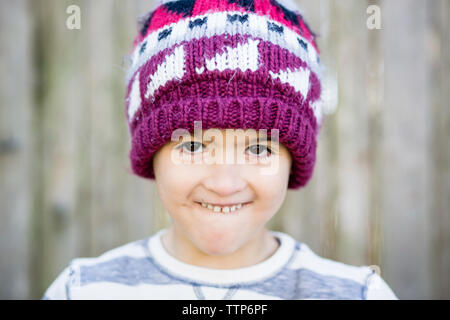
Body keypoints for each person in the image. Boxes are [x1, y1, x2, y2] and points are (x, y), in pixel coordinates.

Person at [42, 0, 398, 299]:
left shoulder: (358, 294)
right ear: (151, 155)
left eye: (259, 149)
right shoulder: (84, 291)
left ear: (294, 160)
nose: (225, 183)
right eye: (194, 145)